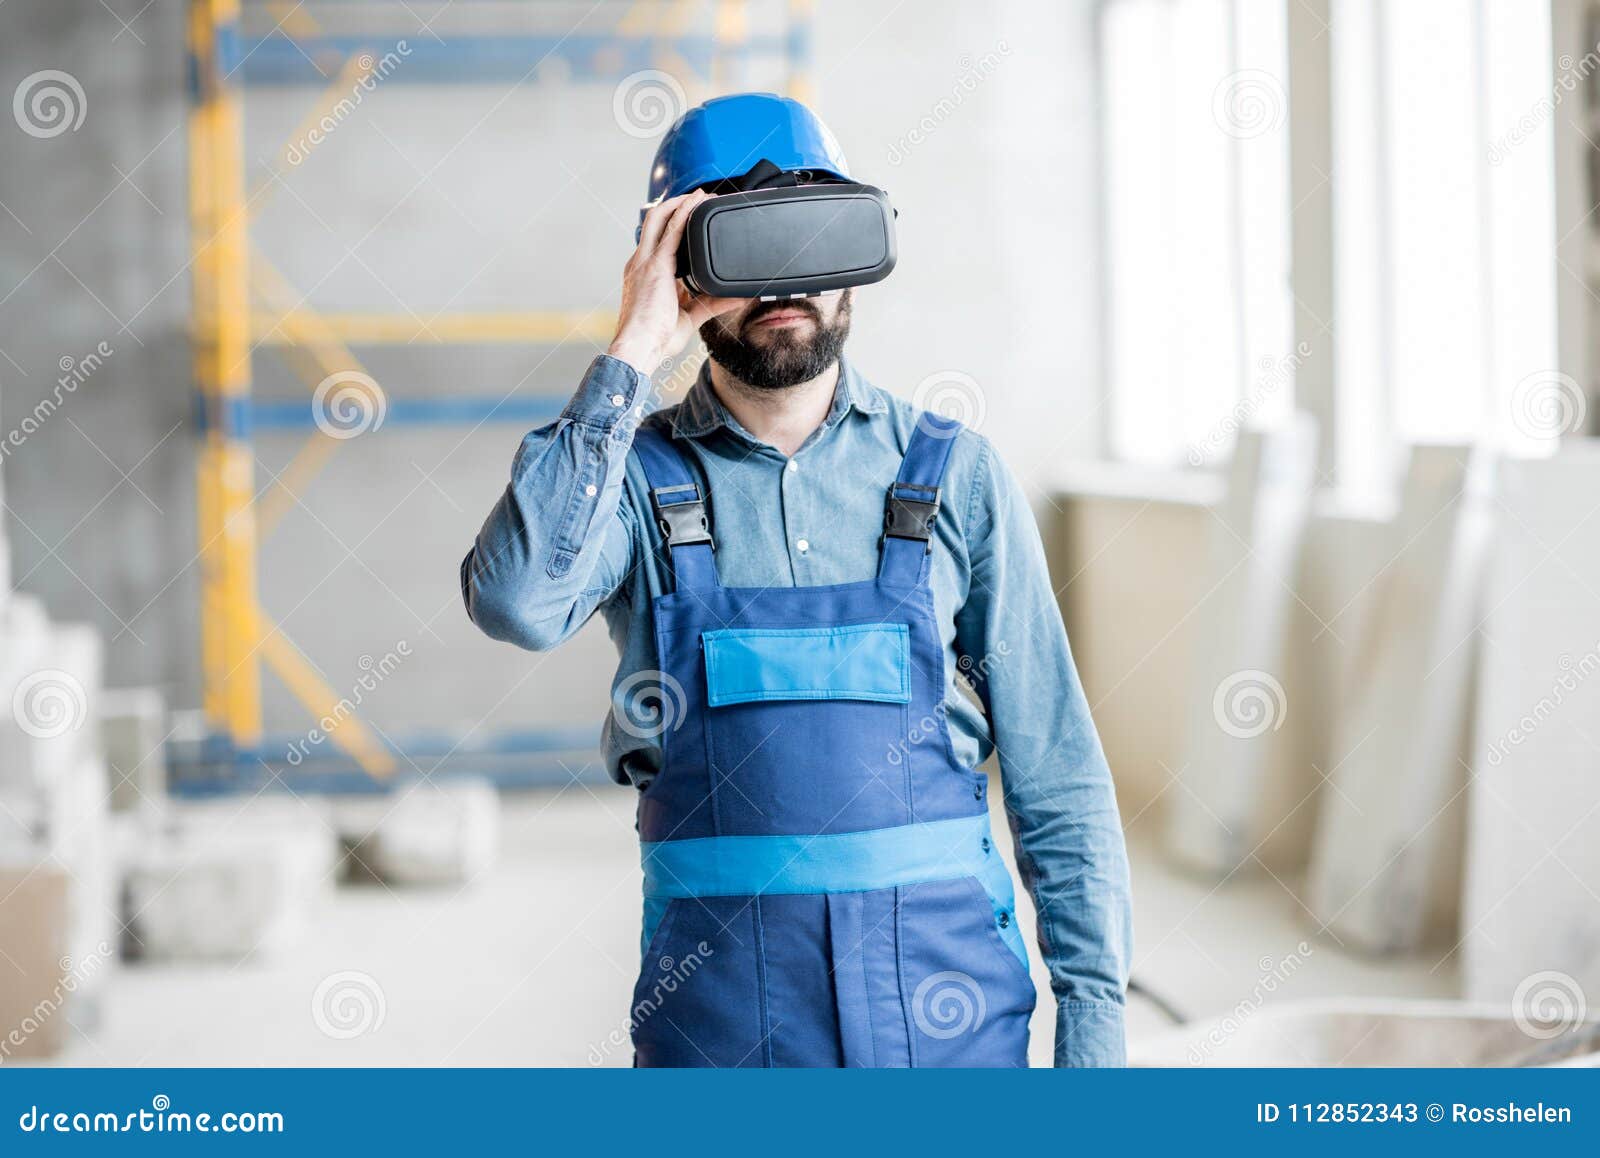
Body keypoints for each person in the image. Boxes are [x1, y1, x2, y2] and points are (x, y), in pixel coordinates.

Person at [461, 93, 1131, 1067]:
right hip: (724, 1032)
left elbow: (1057, 775)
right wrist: (632, 352)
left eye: (808, 233)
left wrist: (1096, 1042)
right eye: (740, 240)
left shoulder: (956, 476)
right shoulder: (632, 483)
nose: (784, 281)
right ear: (677, 264)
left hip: (952, 1033)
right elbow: (515, 599)